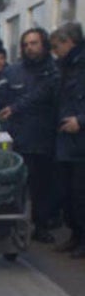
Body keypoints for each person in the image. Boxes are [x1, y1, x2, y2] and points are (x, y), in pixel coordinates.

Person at [0, 28, 60, 244]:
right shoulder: (14, 71)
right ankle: (12, 228)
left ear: (44, 44)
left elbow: (43, 93)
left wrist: (16, 107)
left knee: (42, 187)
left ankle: (41, 225)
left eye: (34, 43)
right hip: (18, 137)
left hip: (45, 138)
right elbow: (1, 90)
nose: (30, 47)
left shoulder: (54, 70)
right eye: (26, 44)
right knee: (16, 186)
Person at [50, 22, 85, 256]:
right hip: (65, 140)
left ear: (69, 42)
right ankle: (75, 234)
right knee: (66, 193)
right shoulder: (64, 67)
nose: (54, 51)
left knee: (80, 193)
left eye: (56, 46)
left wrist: (81, 121)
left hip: (80, 140)